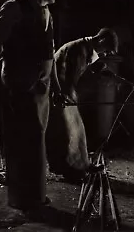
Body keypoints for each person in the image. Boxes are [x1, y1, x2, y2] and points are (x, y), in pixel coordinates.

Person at [0, 0, 68, 211]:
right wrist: (2, 78)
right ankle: (22, 200)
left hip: (40, 91)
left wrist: (56, 88)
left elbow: (49, 55)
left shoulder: (46, 12)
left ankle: (36, 197)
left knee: (36, 145)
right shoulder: (14, 9)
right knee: (21, 145)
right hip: (20, 90)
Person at [46, 28, 119, 182]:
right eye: (106, 50)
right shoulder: (77, 49)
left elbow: (94, 64)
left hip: (67, 90)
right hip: (58, 91)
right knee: (66, 133)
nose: (105, 54)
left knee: (78, 128)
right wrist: (63, 95)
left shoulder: (87, 48)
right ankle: (70, 171)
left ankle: (83, 165)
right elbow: (66, 75)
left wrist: (113, 75)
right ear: (100, 40)